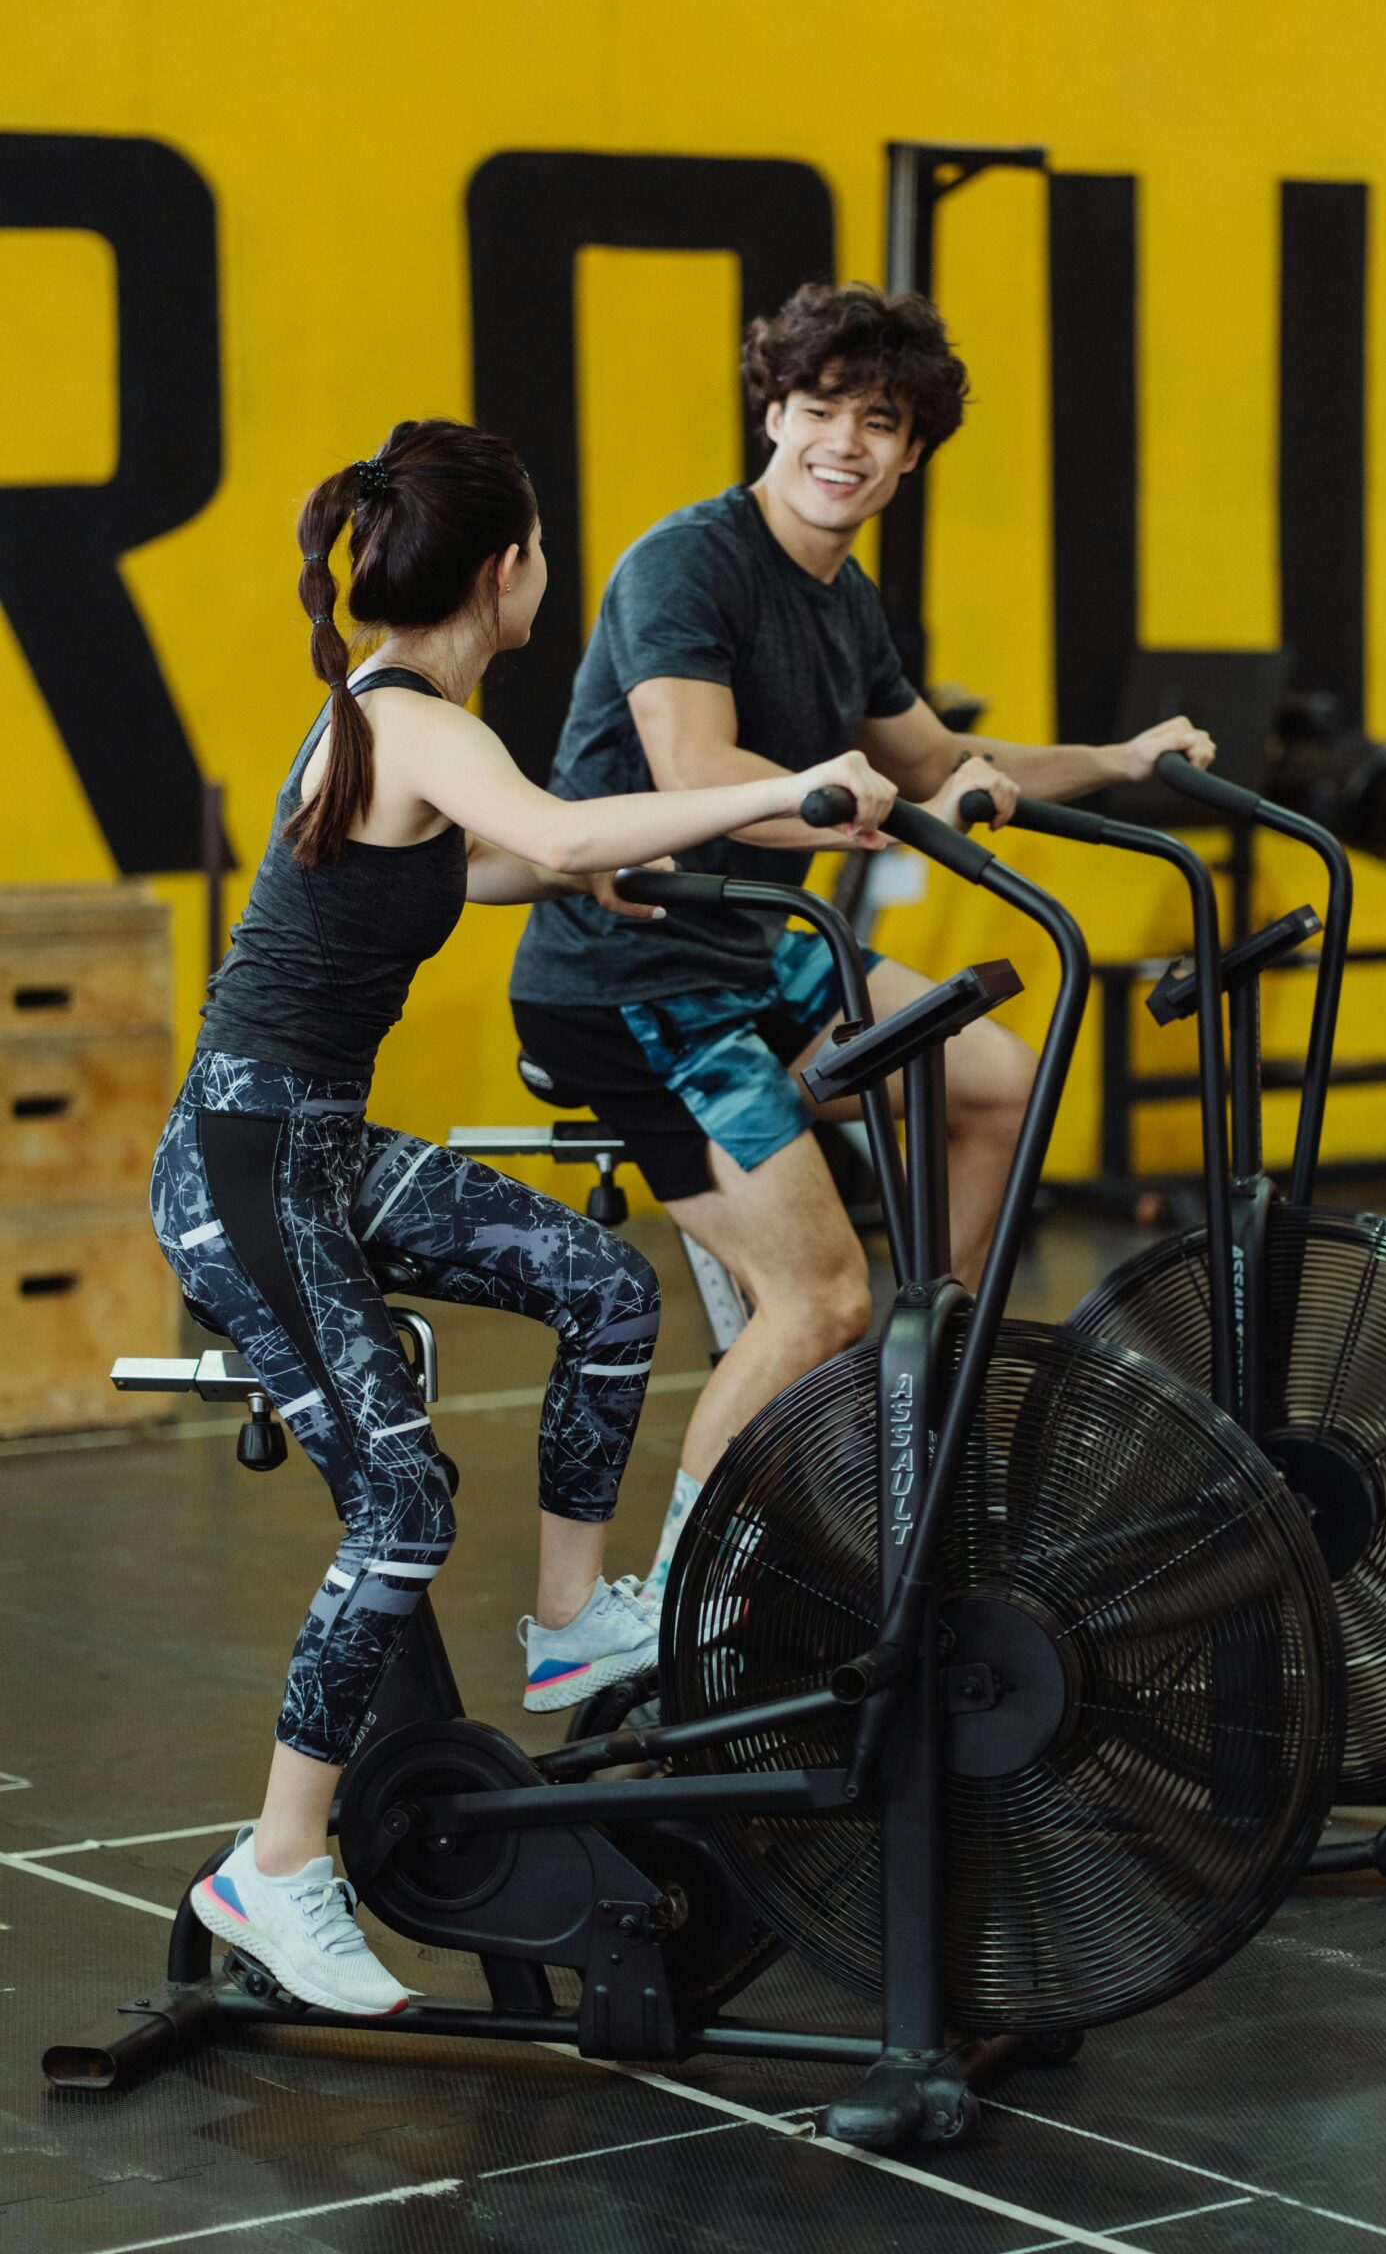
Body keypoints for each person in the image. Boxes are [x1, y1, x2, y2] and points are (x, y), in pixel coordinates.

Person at [151, 417, 893, 2018]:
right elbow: (550, 822)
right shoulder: (409, 714)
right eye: (543, 548)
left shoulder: (402, 726)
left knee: (601, 1286)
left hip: (318, 1146)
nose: (548, 569)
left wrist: (573, 879)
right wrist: (790, 789)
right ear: (509, 571)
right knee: (403, 1509)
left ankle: (568, 1620)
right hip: (241, 1163)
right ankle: (274, 1868)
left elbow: (482, 862)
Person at [508, 284, 1215, 1600]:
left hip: (756, 950)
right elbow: (692, 764)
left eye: (879, 422)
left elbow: (941, 758)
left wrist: (1121, 758)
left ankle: (902, 1402)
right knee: (816, 1299)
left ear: (911, 453)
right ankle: (659, 1612)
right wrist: (858, 809)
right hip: (636, 969)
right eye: (821, 409)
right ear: (773, 414)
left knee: (996, 1082)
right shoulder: (690, 561)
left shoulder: (842, 597)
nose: (846, 442)